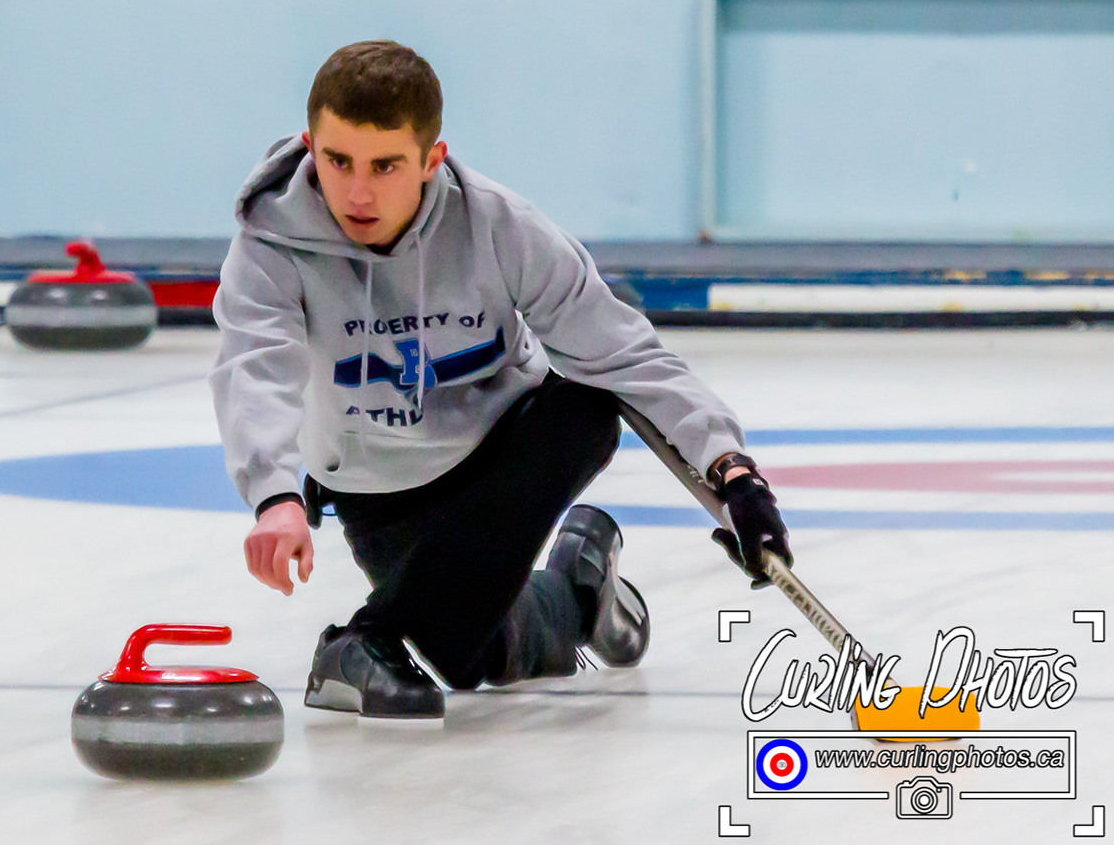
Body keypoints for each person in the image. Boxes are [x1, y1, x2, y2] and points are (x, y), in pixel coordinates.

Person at [210, 41, 789, 719]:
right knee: (465, 658)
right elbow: (256, 366)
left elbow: (629, 353)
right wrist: (274, 495)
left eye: (386, 166)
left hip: (501, 454)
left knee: (587, 405)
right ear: (311, 147)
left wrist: (734, 475)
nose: (357, 192)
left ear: (431, 159)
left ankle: (365, 637)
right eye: (337, 162)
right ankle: (580, 587)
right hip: (376, 480)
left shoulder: (498, 225)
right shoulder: (269, 244)